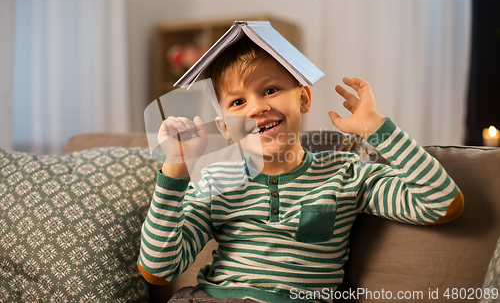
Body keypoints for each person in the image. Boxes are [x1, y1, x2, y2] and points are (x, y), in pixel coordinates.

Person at [137, 37, 464, 303]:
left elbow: (441, 203)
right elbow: (158, 269)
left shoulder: (346, 174)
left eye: (270, 90)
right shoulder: (214, 182)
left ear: (304, 98)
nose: (257, 107)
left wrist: (377, 129)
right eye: (238, 102)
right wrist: (177, 168)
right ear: (225, 128)